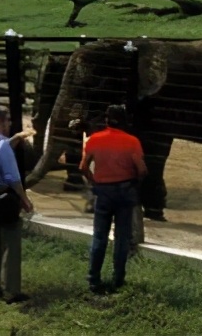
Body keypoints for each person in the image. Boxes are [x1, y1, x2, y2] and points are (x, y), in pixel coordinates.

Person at [79, 104, 146, 293]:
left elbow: (83, 167)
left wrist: (95, 182)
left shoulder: (94, 140)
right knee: (122, 237)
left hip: (103, 191)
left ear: (106, 120)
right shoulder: (132, 141)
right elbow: (141, 170)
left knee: (99, 236)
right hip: (125, 191)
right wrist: (134, 183)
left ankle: (93, 279)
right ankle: (118, 278)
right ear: (124, 120)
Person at [0, 109, 34, 304]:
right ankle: (12, 291)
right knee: (11, 245)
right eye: (8, 120)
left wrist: (16, 138)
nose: (10, 124)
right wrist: (25, 200)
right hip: (6, 198)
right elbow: (13, 179)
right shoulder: (4, 148)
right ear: (0, 122)